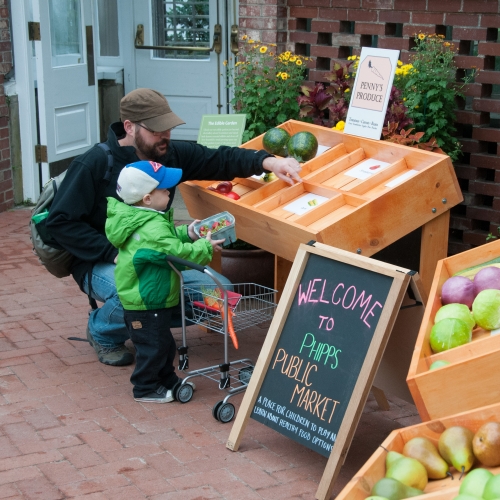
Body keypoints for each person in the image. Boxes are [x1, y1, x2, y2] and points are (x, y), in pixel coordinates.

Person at [46, 87, 302, 367]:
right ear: (129, 127)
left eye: (167, 127)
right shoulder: (94, 163)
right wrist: (111, 252)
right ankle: (102, 330)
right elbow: (59, 223)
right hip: (100, 261)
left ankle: (145, 322)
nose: (165, 135)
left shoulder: (168, 154)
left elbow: (219, 158)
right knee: (137, 291)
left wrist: (269, 161)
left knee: (220, 294)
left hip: (157, 254)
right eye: (156, 130)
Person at [105, 160, 224, 402]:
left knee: (164, 345)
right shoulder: (152, 227)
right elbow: (176, 255)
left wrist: (188, 233)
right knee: (153, 348)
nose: (170, 191)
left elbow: (164, 243)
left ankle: (166, 378)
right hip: (146, 301)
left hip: (151, 298)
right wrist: (204, 246)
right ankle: (145, 387)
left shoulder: (143, 219)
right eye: (164, 189)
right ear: (147, 198)